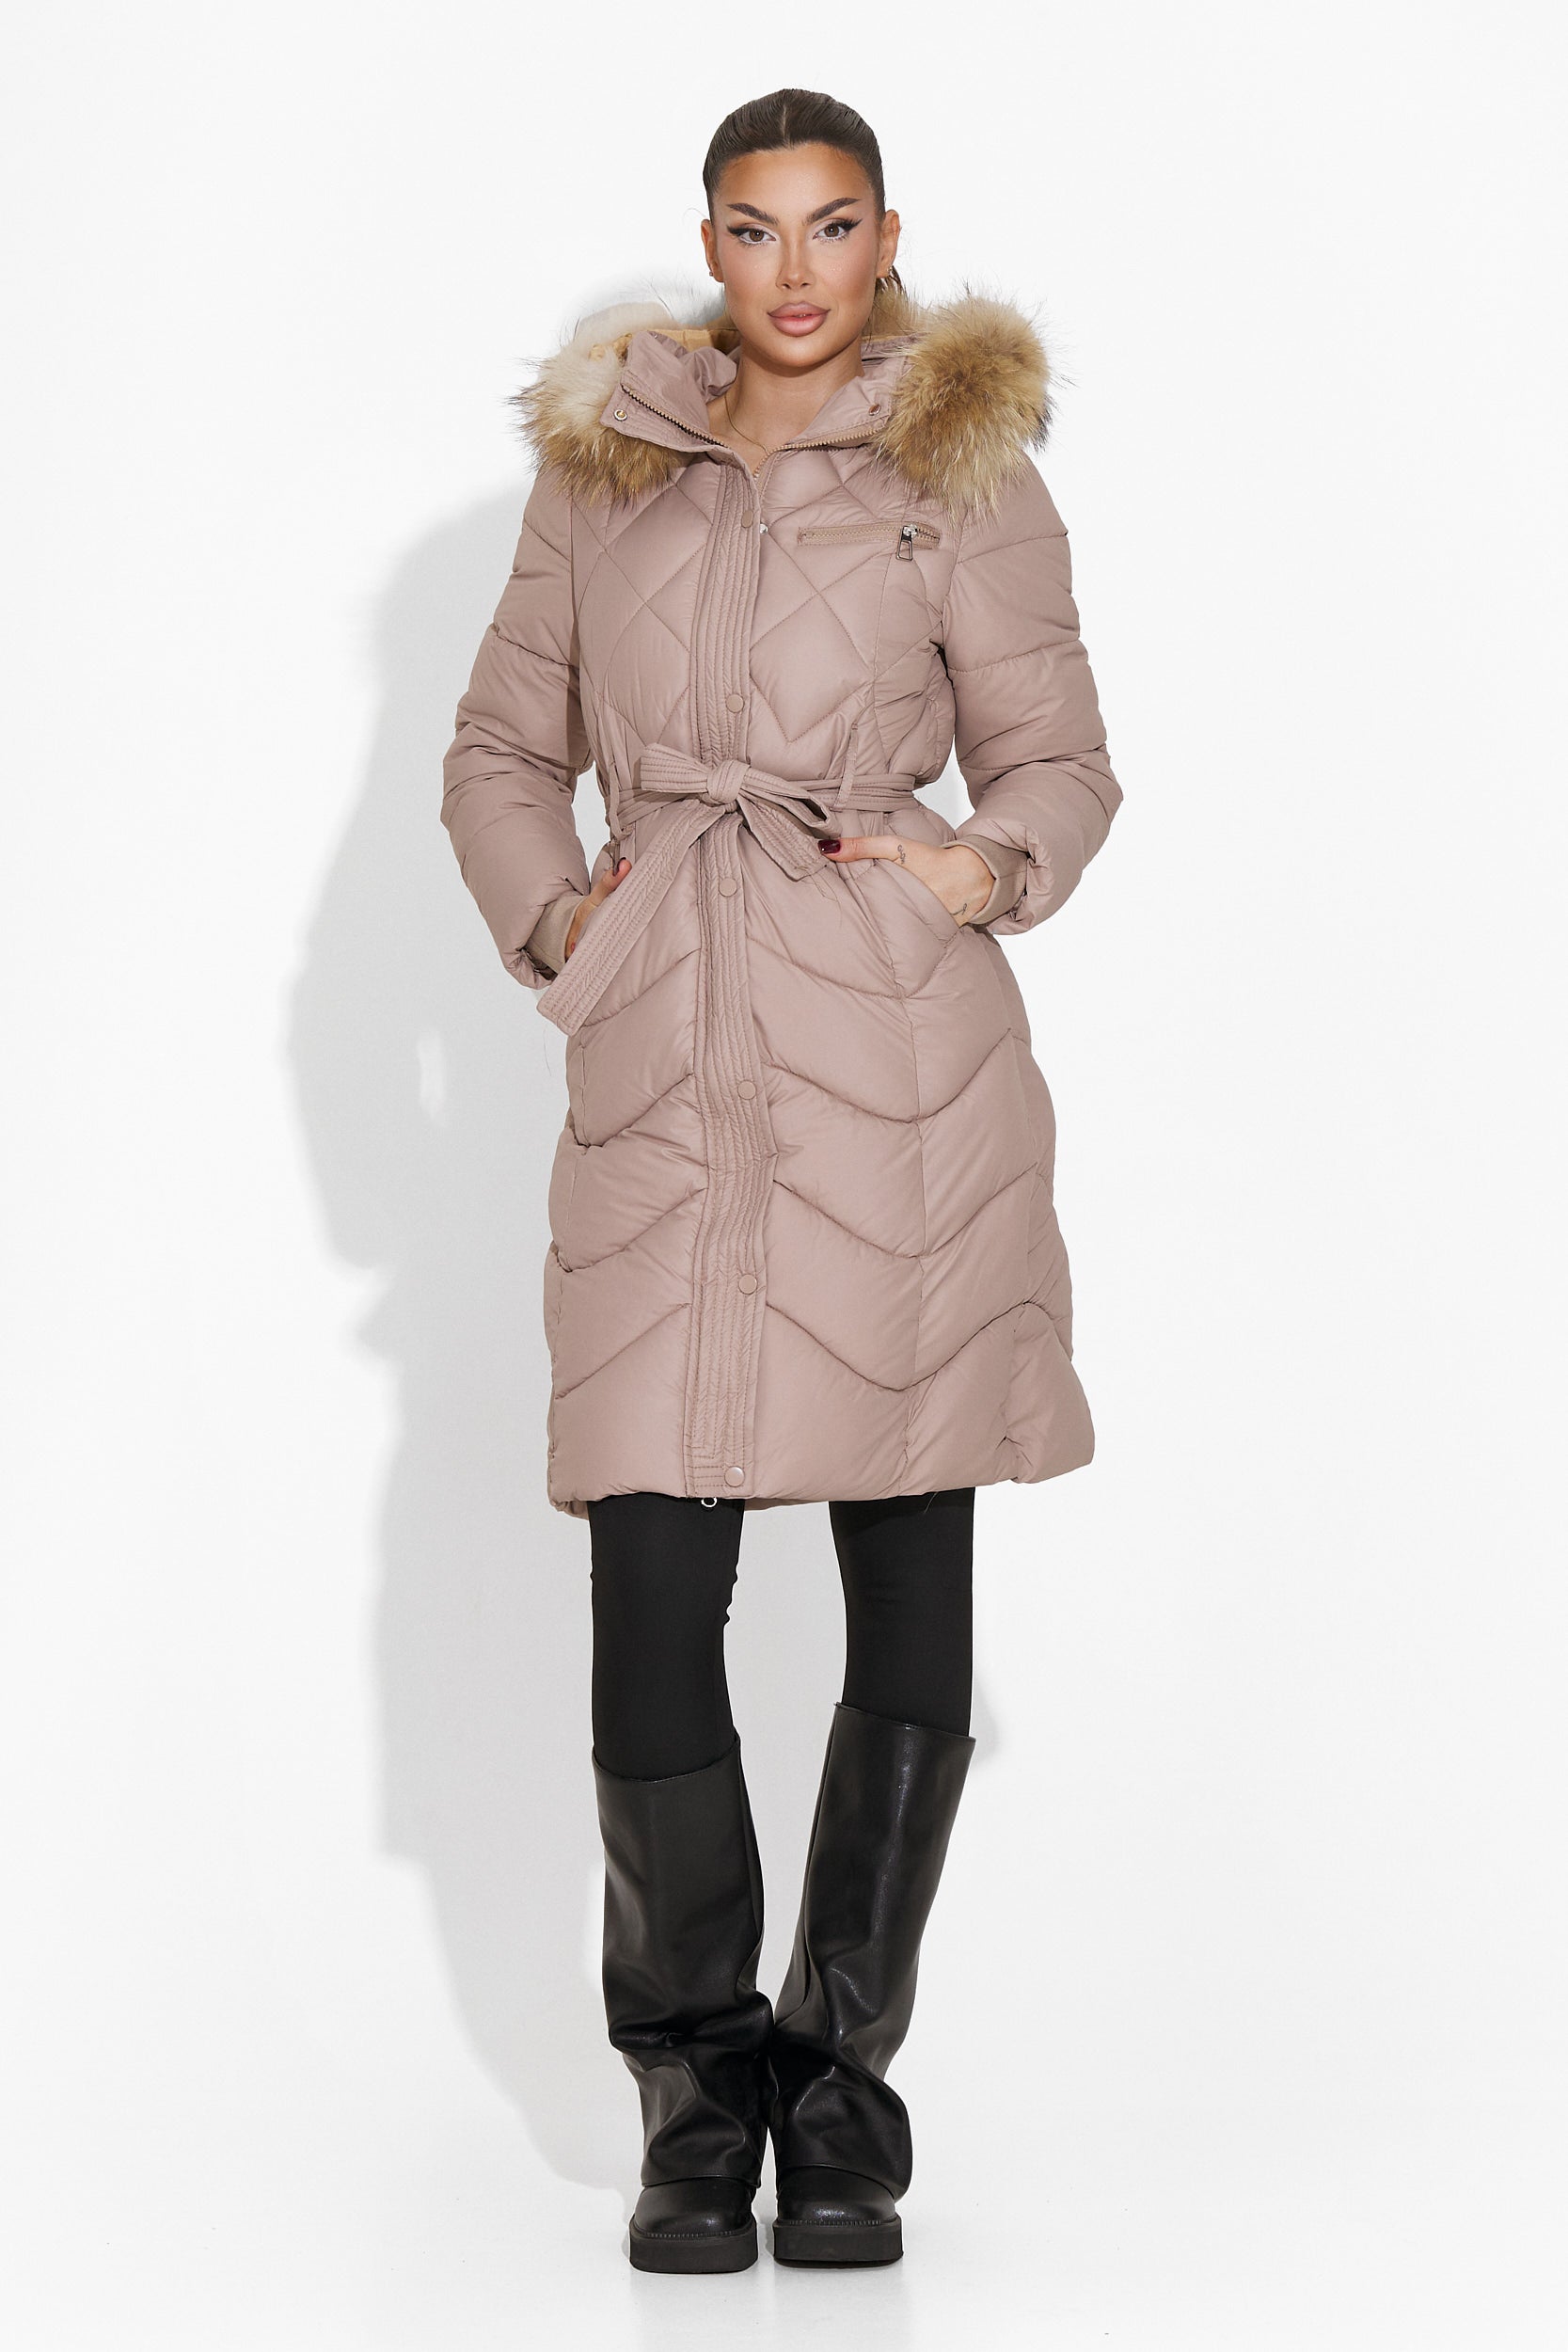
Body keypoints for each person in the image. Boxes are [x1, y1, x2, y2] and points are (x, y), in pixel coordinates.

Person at [440, 87, 1121, 2275]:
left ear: (886, 237)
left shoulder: (961, 467)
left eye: (834, 228)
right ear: (710, 241)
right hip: (664, 1062)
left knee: (909, 1569)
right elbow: (500, 749)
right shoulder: (606, 466)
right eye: (755, 228)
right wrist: (565, 920)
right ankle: (694, 2085)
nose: (796, 271)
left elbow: (1059, 758)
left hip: (897, 1069)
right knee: (655, 1589)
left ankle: (841, 2090)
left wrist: (975, 871)